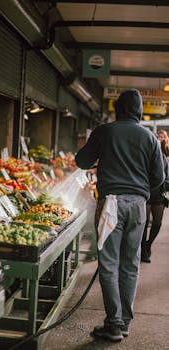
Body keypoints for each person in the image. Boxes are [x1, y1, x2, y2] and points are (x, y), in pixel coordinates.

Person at [75, 89, 165, 342]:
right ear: (138, 110)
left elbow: (82, 161)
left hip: (111, 205)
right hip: (138, 206)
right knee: (130, 264)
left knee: (109, 263)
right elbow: (159, 178)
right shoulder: (150, 138)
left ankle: (113, 323)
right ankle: (123, 322)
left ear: (118, 109)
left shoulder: (105, 131)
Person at [141, 136, 169, 263]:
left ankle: (148, 244)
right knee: (144, 223)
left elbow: (167, 176)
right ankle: (143, 251)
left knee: (157, 223)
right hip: (145, 193)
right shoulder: (143, 156)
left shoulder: (163, 158)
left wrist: (165, 187)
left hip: (158, 194)